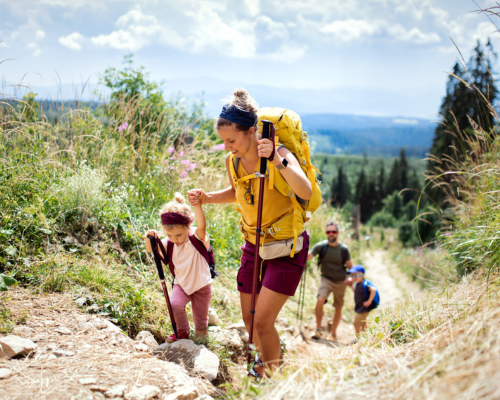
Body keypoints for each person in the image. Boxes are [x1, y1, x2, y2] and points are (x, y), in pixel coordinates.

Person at [187, 88, 311, 378]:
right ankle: (261, 369)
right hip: (253, 245)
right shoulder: (234, 161)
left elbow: (304, 189)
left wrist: (279, 162)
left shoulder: (279, 153)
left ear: (252, 132)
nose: (228, 147)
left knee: (263, 322)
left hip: (286, 247)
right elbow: (238, 191)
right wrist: (207, 198)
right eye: (224, 142)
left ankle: (273, 380)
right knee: (249, 318)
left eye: (232, 140)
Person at [145, 193, 212, 343]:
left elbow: (202, 225)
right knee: (175, 304)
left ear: (188, 227)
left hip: (201, 285)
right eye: (169, 235)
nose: (175, 239)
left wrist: (197, 206)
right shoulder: (169, 243)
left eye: (179, 235)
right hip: (181, 284)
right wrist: (149, 237)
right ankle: (182, 331)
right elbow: (151, 249)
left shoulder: (196, 237)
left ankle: (201, 338)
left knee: (201, 321)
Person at [307, 222, 353, 342]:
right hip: (326, 279)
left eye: (333, 232)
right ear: (326, 233)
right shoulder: (320, 246)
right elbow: (307, 257)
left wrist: (351, 279)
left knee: (338, 308)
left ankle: (333, 333)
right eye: (328, 232)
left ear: (337, 233)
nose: (331, 234)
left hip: (340, 282)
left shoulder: (343, 249)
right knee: (320, 300)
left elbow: (350, 267)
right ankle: (318, 329)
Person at [345, 265, 379, 334]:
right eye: (352, 276)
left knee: (355, 323)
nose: (354, 278)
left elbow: (373, 290)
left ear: (362, 275)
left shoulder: (364, 284)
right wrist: (351, 286)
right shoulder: (358, 285)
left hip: (364, 308)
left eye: (356, 275)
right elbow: (357, 292)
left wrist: (369, 301)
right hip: (360, 307)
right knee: (363, 323)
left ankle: (359, 338)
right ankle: (366, 336)